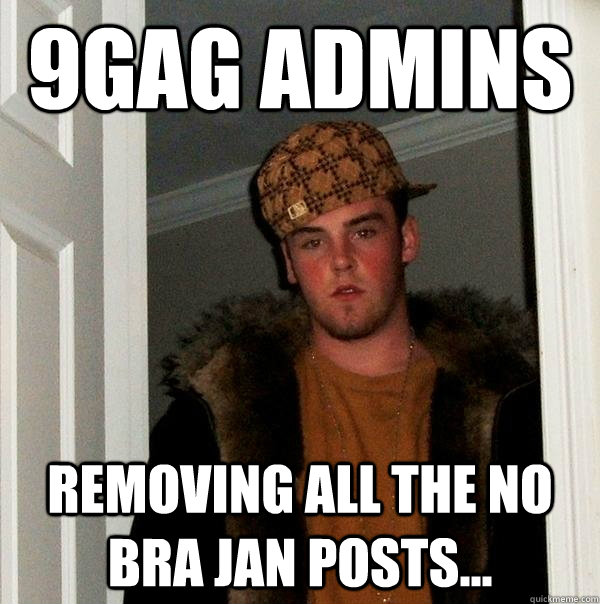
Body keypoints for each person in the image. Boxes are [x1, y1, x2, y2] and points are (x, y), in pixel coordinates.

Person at [125, 121, 546, 603]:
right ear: (289, 263)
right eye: (313, 241)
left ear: (406, 240)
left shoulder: (515, 409)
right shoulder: (210, 422)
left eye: (362, 231)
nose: (340, 260)